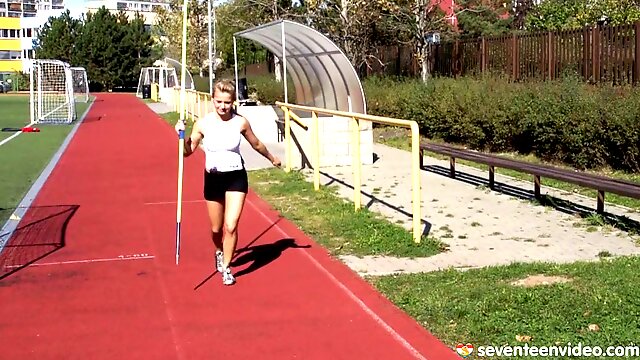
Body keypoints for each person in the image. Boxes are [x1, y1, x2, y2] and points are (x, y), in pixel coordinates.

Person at [175, 79, 281, 285]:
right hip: (213, 178)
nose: (223, 107)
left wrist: (272, 157)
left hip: (236, 177)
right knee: (216, 230)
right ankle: (219, 250)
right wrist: (180, 136)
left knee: (230, 226)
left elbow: (256, 143)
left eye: (227, 102)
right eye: (218, 102)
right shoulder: (203, 123)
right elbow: (188, 152)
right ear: (212, 100)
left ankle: (226, 267)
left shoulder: (240, 122)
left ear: (233, 102)